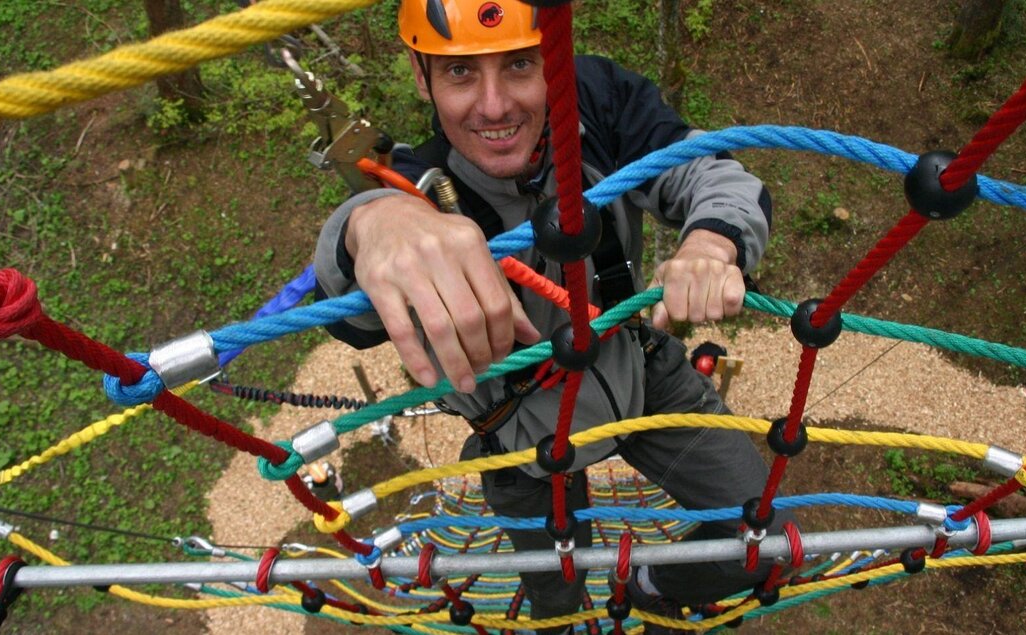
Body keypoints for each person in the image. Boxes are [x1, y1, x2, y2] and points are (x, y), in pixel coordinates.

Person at [313, 1, 791, 632]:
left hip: (639, 375)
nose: (493, 106)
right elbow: (347, 309)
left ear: (553, 59)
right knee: (555, 601)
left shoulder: (598, 107)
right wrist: (369, 225)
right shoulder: (415, 194)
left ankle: (651, 583)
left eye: (519, 65)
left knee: (764, 537)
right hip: (519, 436)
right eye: (460, 73)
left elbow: (716, 175)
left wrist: (709, 242)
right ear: (420, 74)